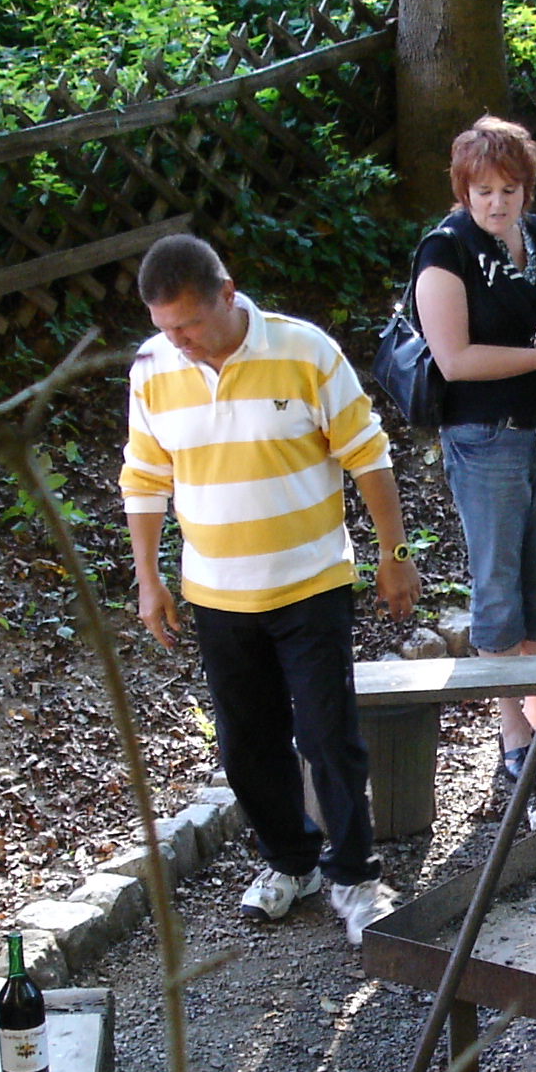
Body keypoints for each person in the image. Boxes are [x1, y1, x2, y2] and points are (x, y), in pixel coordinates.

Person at [120, 234, 421, 946]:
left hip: (310, 583)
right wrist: (148, 578)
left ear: (227, 294)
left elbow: (368, 454)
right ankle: (291, 861)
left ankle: (356, 877)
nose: (178, 341)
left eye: (189, 324)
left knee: (326, 736)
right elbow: (145, 477)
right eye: (165, 327)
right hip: (216, 594)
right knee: (246, 747)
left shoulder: (305, 351)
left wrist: (395, 554)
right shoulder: (153, 367)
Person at [411, 115, 536, 790]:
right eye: (483, 192)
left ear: (527, 188)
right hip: (485, 437)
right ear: (463, 192)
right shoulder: (445, 252)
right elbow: (455, 360)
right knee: (498, 585)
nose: (497, 204)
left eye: (509, 190)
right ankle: (512, 730)